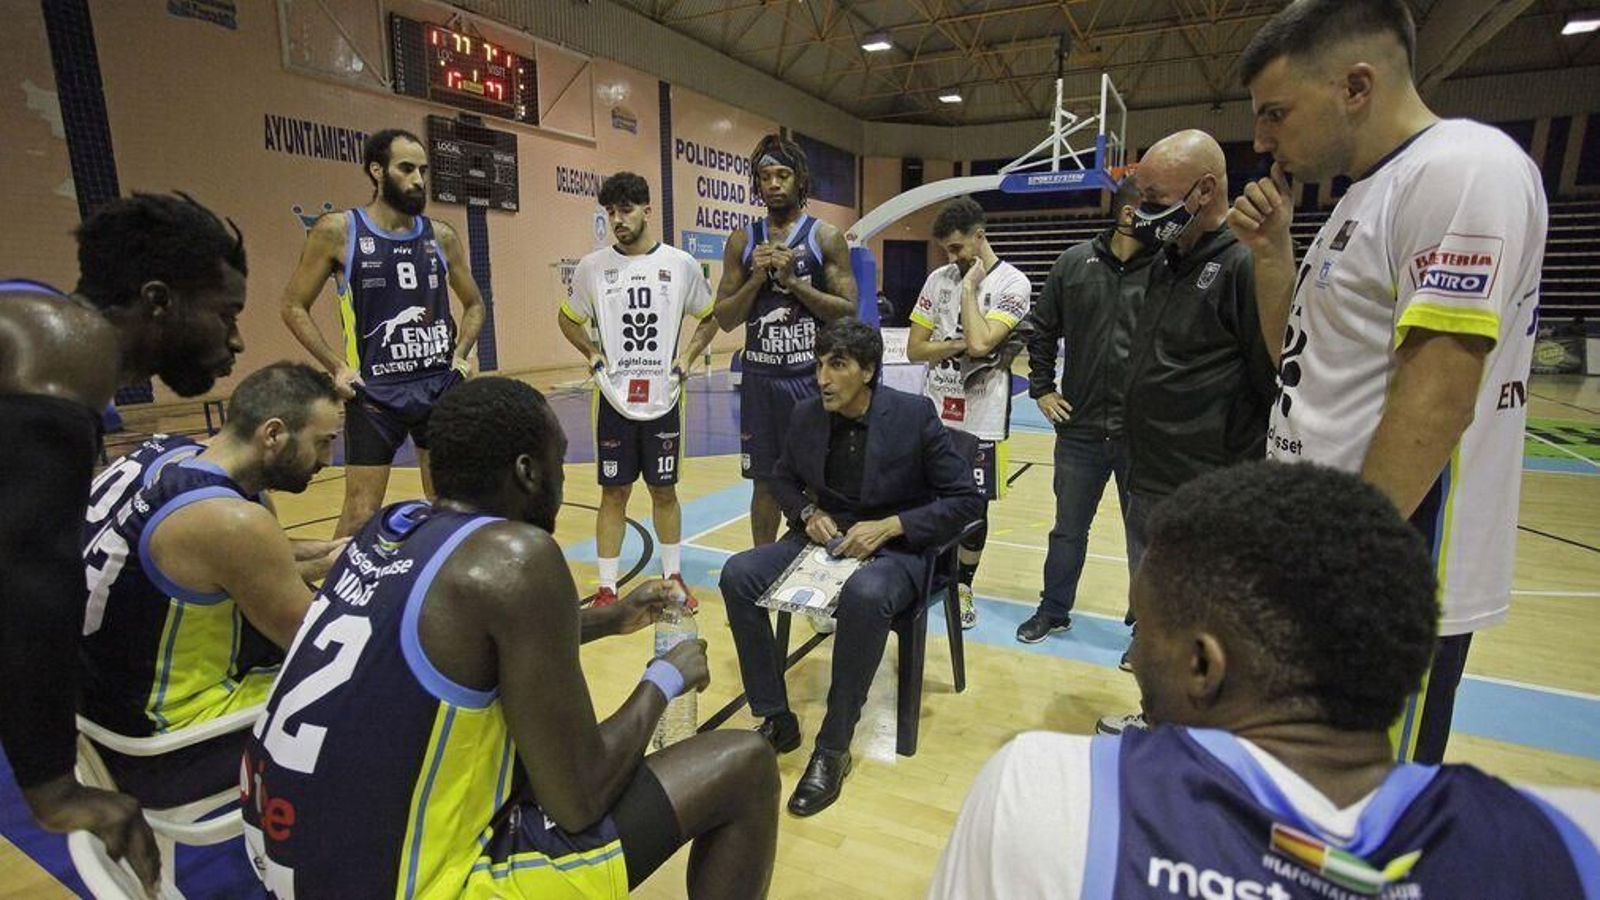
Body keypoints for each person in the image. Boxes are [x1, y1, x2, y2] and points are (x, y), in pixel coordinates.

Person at [929, 462, 1599, 899]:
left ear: (1203, 666)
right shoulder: (1573, 841)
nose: (1136, 654)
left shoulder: (1046, 793)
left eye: (1145, 630)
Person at [242, 377, 780, 900]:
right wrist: (664, 679)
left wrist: (612, 619)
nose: (563, 478)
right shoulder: (516, 557)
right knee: (746, 764)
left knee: (519, 746)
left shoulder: (392, 526)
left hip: (284, 856)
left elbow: (475, 642)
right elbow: (580, 797)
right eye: (559, 460)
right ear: (527, 470)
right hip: (403, 884)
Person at [1228, 0, 1548, 766]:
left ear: (1356, 86)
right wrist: (1272, 255)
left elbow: (1437, 399)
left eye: (1276, 113)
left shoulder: (1462, 169)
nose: (1262, 140)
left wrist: (1342, 564)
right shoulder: (1362, 195)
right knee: (1306, 794)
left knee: (1368, 809)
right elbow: (1298, 363)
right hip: (1326, 549)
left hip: (1387, 571)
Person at [0, 191, 247, 891]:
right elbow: (30, 585)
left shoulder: (32, 316)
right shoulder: (63, 347)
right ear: (158, 300)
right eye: (225, 313)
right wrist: (55, 788)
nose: (235, 340)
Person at [719, 318, 984, 817]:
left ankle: (833, 746)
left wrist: (892, 525)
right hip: (823, 541)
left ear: (867, 370)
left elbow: (967, 501)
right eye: (819, 365)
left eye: (836, 365)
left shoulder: (913, 415)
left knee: (865, 594)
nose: (822, 378)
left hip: (896, 550)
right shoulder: (806, 414)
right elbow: (781, 479)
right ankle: (777, 718)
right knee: (737, 575)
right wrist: (806, 513)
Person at [80, 362, 344, 806]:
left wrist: (331, 553)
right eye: (323, 442)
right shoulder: (232, 521)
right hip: (163, 750)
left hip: (96, 719)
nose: (328, 459)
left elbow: (240, 564)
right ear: (274, 433)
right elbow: (319, 646)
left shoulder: (164, 455)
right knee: (374, 688)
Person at [1097, 130, 1278, 734]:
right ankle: (1163, 727)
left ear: (1204, 191)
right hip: (1148, 473)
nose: (1141, 211)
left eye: (1154, 199)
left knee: (1201, 625)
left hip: (1204, 485)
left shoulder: (1244, 263)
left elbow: (1270, 379)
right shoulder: (1167, 260)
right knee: (1160, 618)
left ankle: (1198, 740)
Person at [281, 127, 485, 538]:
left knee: (448, 504)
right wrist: (337, 366)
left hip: (438, 386)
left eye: (423, 171)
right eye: (406, 169)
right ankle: (338, 581)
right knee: (360, 512)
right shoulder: (338, 231)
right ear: (377, 170)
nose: (418, 180)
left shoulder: (441, 236)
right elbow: (292, 305)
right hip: (374, 393)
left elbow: (475, 304)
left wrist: (462, 354)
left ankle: (438, 575)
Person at [559, 172, 720, 607]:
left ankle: (673, 578)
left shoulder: (680, 264)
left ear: (648, 210)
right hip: (613, 399)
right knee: (614, 493)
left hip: (664, 397)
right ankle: (607, 588)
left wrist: (688, 357)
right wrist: (592, 352)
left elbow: (711, 315)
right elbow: (567, 318)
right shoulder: (592, 267)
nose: (618, 219)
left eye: (626, 210)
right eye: (611, 212)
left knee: (664, 491)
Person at [1014, 175, 1156, 646]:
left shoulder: (1168, 266)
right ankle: (1053, 610)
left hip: (1142, 434)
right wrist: (1041, 388)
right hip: (1080, 430)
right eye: (1151, 207)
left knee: (1145, 539)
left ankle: (1146, 629)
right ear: (1126, 211)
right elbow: (1041, 329)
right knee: (1068, 531)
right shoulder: (1074, 263)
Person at [713, 134, 858, 547]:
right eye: (765, 177)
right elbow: (725, 318)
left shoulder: (825, 237)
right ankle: (763, 565)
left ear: (800, 180)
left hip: (810, 379)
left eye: (783, 175)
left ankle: (814, 567)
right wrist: (756, 279)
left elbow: (848, 311)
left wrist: (794, 283)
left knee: (816, 481)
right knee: (764, 484)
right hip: (760, 380)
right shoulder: (742, 241)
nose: (774, 184)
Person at [906, 196, 1032, 630]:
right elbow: (916, 349)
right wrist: (958, 345)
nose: (951, 257)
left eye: (958, 248)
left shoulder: (1013, 283)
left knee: (974, 506)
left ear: (980, 237)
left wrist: (966, 291)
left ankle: (963, 585)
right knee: (928, 498)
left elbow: (982, 343)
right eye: (946, 250)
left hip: (983, 415)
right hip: (936, 409)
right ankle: (934, 575)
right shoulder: (936, 279)